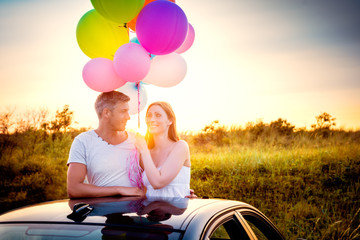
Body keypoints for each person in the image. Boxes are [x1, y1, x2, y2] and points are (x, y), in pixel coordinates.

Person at [67, 91, 144, 199]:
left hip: (135, 212)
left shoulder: (137, 140)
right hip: (102, 213)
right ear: (106, 113)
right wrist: (118, 190)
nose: (128, 117)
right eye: (123, 111)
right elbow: (74, 189)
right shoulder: (83, 141)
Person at [135, 101, 191, 198]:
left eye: (158, 115)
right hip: (150, 210)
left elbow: (158, 183)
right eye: (149, 115)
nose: (152, 119)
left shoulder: (180, 146)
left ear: (170, 120)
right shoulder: (145, 154)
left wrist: (144, 149)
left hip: (175, 211)